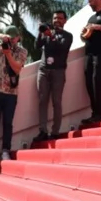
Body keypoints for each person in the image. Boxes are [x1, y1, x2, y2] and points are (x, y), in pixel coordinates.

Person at [0, 26, 28, 160]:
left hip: (11, 93)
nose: (12, 39)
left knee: (8, 123)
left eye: (14, 37)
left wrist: (8, 53)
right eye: (10, 36)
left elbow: (17, 69)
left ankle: (5, 150)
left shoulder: (22, 51)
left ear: (18, 38)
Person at [34, 10, 73, 142]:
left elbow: (61, 48)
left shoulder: (68, 36)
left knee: (56, 102)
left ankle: (55, 131)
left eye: (60, 18)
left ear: (65, 20)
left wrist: (51, 36)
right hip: (44, 70)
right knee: (42, 101)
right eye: (55, 18)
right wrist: (41, 33)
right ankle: (43, 131)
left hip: (58, 71)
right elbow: (37, 45)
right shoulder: (46, 33)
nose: (57, 20)